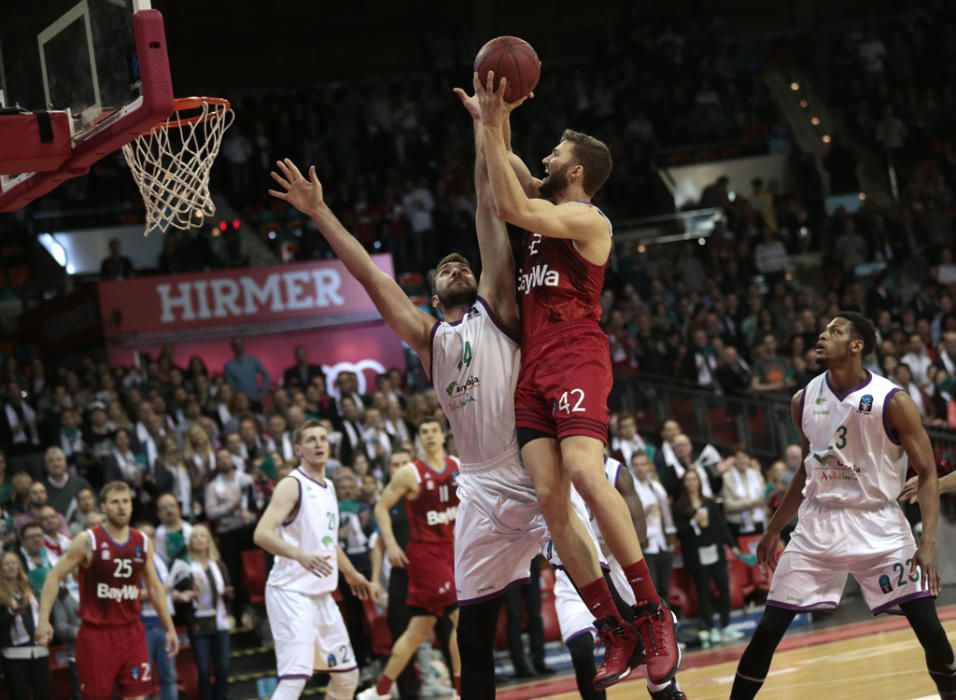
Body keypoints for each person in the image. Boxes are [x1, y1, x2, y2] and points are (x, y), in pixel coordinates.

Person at [267, 97, 586, 698]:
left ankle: (651, 652)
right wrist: (319, 211)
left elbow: (489, 205)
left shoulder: (499, 302)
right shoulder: (428, 338)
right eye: (444, 266)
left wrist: (486, 128)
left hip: (534, 463)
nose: (455, 264)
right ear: (435, 294)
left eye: (459, 260)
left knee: (597, 586)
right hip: (482, 487)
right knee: (473, 630)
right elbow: (368, 275)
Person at [473, 69, 679, 687]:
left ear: (578, 172)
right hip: (533, 361)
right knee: (550, 499)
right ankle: (613, 626)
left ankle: (652, 611)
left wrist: (491, 124)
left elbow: (510, 202)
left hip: (575, 352)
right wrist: (493, 110)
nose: (546, 154)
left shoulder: (591, 221)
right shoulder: (548, 203)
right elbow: (507, 167)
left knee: (587, 473)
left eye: (557, 152)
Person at [731, 313, 956, 699]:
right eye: (824, 329)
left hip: (879, 523)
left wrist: (929, 542)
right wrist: (773, 529)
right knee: (769, 629)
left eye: (834, 331)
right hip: (818, 524)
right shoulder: (803, 399)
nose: (822, 334)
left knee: (928, 626)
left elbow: (928, 473)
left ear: (857, 346)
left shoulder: (893, 401)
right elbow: (804, 473)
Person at [253, 420, 375, 700]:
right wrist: (299, 554)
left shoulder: (329, 487)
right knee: (294, 680)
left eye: (323, 438)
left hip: (321, 595)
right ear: (298, 448)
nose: (319, 444)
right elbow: (261, 534)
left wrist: (351, 573)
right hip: (290, 592)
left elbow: (329, 542)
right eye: (311, 440)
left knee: (347, 677)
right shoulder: (291, 485)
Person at [552, 456, 685, 700]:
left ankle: (667, 692)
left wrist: (600, 550)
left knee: (647, 644)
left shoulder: (616, 473)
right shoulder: (549, 471)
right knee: (581, 650)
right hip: (574, 572)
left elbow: (641, 535)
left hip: (616, 567)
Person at [33, 481, 180, 699]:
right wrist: (43, 620)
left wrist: (170, 627)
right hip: (97, 634)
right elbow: (54, 576)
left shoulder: (141, 541)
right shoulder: (88, 540)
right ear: (103, 507)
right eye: (115, 502)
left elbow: (155, 587)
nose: (121, 507)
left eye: (126, 501)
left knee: (137, 695)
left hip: (132, 631)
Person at [358, 419, 461, 700]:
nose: (429, 436)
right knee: (461, 619)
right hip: (425, 556)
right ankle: (463, 690)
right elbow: (380, 507)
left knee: (418, 630)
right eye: (423, 432)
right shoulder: (410, 473)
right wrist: (390, 544)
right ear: (418, 440)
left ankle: (380, 691)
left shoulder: (457, 466)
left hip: (452, 552)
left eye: (434, 431)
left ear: (443, 436)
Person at [673, 469, 743, 647]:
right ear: (684, 484)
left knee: (723, 587)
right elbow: (679, 532)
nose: (691, 483)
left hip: (715, 551)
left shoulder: (710, 503)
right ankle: (711, 628)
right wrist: (692, 522)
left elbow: (721, 527)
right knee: (703, 592)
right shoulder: (680, 506)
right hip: (696, 555)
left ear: (699, 482)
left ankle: (726, 626)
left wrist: (732, 546)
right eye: (688, 480)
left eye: (694, 479)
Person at [169, 524, 232, 700]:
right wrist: (184, 594)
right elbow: (171, 591)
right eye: (194, 536)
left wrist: (227, 595)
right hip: (197, 621)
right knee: (203, 672)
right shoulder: (184, 565)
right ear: (189, 541)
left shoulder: (218, 564)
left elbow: (228, 588)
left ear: (208, 541)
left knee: (223, 669)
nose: (198, 539)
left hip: (220, 619)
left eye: (202, 536)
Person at [0, 551, 51, 699]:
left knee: (44, 693)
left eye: (14, 563)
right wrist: (10, 612)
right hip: (14, 654)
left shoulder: (30, 587)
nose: (11, 566)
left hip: (39, 649)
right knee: (19, 695)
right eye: (6, 563)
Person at [137, 521, 179, 700]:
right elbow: (129, 593)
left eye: (151, 535)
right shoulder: (132, 560)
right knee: (142, 678)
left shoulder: (160, 558)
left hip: (164, 622)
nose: (149, 539)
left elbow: (166, 591)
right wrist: (156, 592)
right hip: (143, 625)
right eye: (144, 536)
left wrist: (179, 594)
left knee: (169, 676)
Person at [631, 450, 676, 599]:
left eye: (643, 464)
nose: (640, 468)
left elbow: (667, 514)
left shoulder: (655, 485)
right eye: (636, 465)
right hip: (645, 544)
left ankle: (669, 619)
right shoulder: (629, 489)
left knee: (664, 587)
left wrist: (671, 537)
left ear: (649, 466)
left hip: (662, 542)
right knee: (652, 589)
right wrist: (644, 512)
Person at [223, 337, 270, 411]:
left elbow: (266, 375)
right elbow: (230, 385)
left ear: (244, 345)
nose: (238, 347)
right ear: (232, 348)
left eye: (240, 345)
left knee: (258, 420)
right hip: (240, 402)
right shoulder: (228, 365)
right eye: (236, 345)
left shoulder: (253, 360)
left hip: (255, 398)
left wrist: (264, 391)